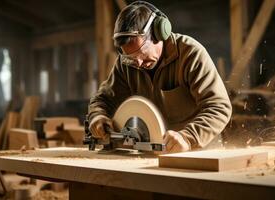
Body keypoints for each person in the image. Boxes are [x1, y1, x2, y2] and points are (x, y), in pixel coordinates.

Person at [88, 1, 232, 153]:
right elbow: (103, 100)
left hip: (200, 151)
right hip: (154, 153)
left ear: (159, 34)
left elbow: (219, 107)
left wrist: (188, 137)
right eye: (130, 56)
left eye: (141, 51)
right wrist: (98, 116)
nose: (137, 62)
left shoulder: (190, 54)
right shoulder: (126, 64)